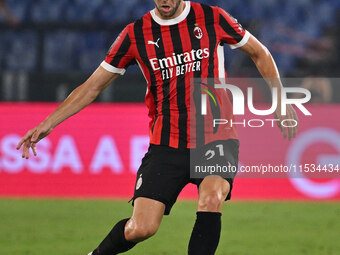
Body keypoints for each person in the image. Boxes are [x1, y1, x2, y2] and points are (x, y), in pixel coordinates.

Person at [16, 1, 299, 254]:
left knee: (212, 199)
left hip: (215, 136)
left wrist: (278, 98)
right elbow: (93, 86)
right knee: (141, 228)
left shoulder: (212, 17)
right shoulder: (135, 34)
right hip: (167, 143)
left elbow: (259, 52)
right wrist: (48, 123)